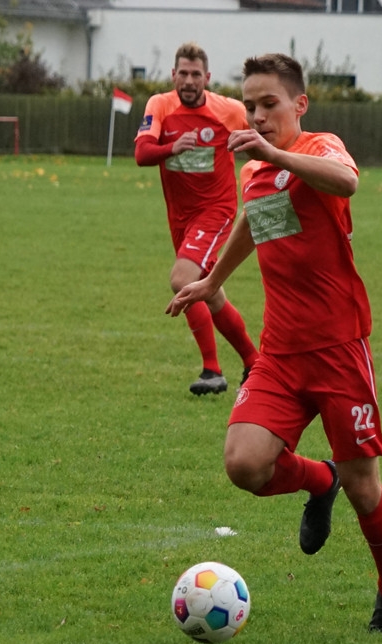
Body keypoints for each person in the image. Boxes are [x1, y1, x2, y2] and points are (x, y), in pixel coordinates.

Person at [168, 53, 382, 633]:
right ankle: (320, 480)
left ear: (299, 104)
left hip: (339, 349)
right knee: (244, 465)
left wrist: (276, 154)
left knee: (365, 489)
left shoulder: (321, 148)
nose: (258, 115)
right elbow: (256, 220)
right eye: (250, 105)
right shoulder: (255, 169)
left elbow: (348, 181)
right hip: (279, 352)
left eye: (269, 104)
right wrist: (212, 281)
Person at [135, 42, 259, 396]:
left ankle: (211, 369)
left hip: (216, 210)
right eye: (183, 74)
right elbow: (142, 153)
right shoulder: (160, 105)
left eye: (196, 74)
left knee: (182, 279)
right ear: (173, 75)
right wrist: (171, 148)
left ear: (207, 78)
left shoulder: (229, 110)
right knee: (211, 293)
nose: (189, 81)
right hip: (180, 216)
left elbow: (264, 134)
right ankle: (253, 362)